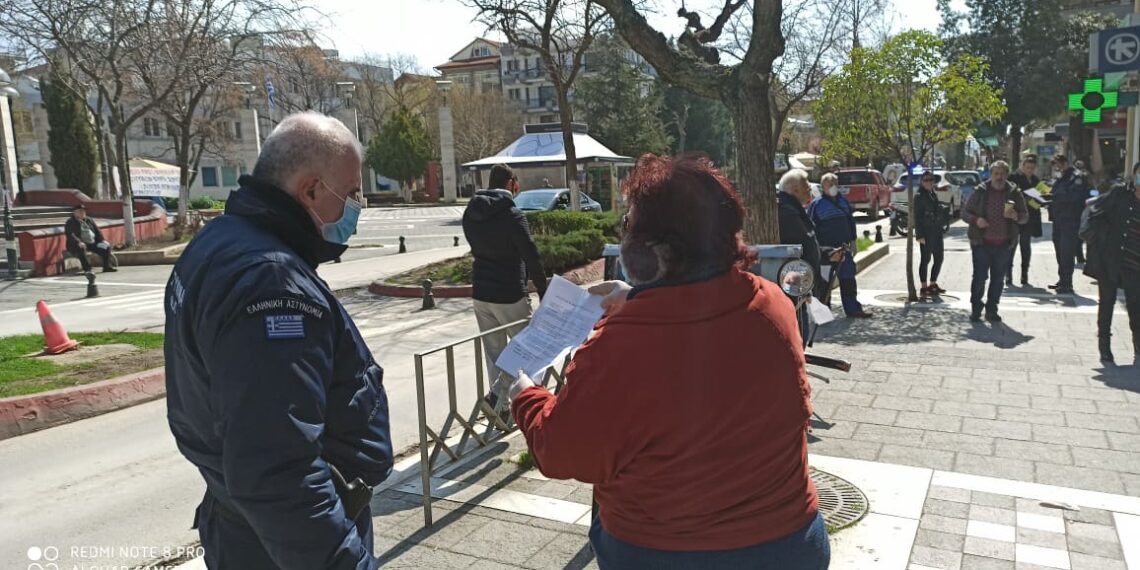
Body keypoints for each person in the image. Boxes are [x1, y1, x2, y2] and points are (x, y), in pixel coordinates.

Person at [508, 154, 829, 570]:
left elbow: (563, 452)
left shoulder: (621, 345)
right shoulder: (772, 303)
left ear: (650, 251)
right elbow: (703, 323)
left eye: (628, 224)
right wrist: (638, 297)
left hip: (666, 550)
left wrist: (526, 397)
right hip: (791, 542)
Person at [164, 112, 393, 569]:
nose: (357, 206)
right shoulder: (273, 284)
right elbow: (279, 471)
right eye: (350, 193)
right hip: (277, 547)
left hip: (245, 529)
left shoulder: (222, 240)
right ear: (311, 190)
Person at [462, 163, 548, 420]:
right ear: (511, 184)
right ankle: (513, 399)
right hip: (510, 293)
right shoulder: (512, 215)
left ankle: (499, 407)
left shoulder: (470, 212)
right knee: (527, 350)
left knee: (494, 353)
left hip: (481, 293)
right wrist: (544, 291)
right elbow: (531, 255)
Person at [1083, 161, 1140, 366]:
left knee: (1136, 306)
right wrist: (1098, 240)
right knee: (1106, 304)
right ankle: (1104, 347)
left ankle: (1137, 344)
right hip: (1111, 259)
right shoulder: (1119, 193)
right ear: (1134, 176)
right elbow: (1096, 212)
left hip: (1135, 261)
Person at [961, 160, 1029, 322]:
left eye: (1002, 174)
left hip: (1004, 244)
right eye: (996, 174)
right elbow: (964, 212)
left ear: (1007, 175)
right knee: (979, 277)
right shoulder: (980, 191)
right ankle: (976, 308)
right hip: (982, 243)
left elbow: (1025, 216)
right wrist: (976, 220)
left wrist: (1016, 216)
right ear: (991, 175)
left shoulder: (1014, 193)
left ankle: (992, 309)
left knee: (998, 279)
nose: (999, 177)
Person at [809, 173, 872, 317]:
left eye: (835, 183)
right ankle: (823, 311)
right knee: (824, 282)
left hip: (844, 248)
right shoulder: (816, 205)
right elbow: (810, 228)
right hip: (826, 252)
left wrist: (853, 240)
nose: (833, 186)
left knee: (848, 279)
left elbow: (850, 221)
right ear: (823, 186)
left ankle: (853, 309)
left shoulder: (843, 201)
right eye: (830, 184)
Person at [777, 169, 843, 305]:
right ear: (795, 190)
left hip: (805, 286)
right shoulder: (786, 213)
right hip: (795, 291)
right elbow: (796, 251)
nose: (810, 191)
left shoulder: (796, 209)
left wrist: (828, 253)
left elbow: (808, 245)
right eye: (807, 188)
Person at [1048, 154, 1092, 294]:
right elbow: (1054, 193)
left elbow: (1075, 197)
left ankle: (1067, 283)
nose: (1057, 167)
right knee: (1059, 251)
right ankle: (1062, 279)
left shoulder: (1077, 177)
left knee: (1067, 251)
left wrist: (1054, 197)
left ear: (1065, 163)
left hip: (1070, 220)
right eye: (1055, 165)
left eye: (1058, 164)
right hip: (1058, 219)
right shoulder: (1060, 178)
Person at [1007, 155, 1044, 286]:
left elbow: (1041, 201)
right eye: (1027, 167)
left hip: (1029, 217)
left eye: (1032, 168)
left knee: (1025, 245)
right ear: (1022, 167)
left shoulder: (1037, 181)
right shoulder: (1013, 178)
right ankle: (1008, 274)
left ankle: (1024, 273)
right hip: (1015, 217)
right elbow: (1008, 197)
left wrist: (1030, 201)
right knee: (1011, 245)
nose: (1030, 170)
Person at [914, 173, 946, 296]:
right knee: (925, 259)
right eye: (926, 180)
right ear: (921, 182)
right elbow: (917, 217)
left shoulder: (933, 193)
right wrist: (919, 235)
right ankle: (924, 287)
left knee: (939, 258)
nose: (929, 182)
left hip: (936, 231)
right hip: (926, 232)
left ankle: (933, 284)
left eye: (931, 180)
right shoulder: (919, 196)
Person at [64, 204, 116, 273]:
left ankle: (107, 267)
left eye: (83, 211)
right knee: (81, 249)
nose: (83, 213)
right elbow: (71, 235)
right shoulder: (70, 222)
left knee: (106, 247)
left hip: (92, 243)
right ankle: (87, 269)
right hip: (77, 244)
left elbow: (97, 231)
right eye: (80, 211)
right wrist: (79, 242)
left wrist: (102, 240)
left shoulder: (89, 219)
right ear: (75, 212)